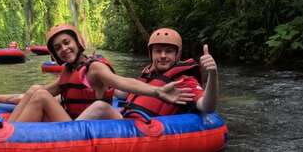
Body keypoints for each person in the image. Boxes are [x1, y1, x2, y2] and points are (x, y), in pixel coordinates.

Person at [0, 24, 195, 122]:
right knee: (36, 89)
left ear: (78, 42)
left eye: (67, 43)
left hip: (87, 128)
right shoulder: (68, 72)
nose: (64, 49)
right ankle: (8, 130)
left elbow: (123, 82)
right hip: (71, 121)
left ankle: (9, 137)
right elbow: (28, 96)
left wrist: (158, 93)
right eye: (58, 47)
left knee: (40, 94)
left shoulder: (95, 68)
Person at [75, 27, 218, 121]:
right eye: (158, 51)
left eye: (168, 51)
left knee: (100, 107)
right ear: (151, 53)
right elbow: (123, 94)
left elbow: (207, 106)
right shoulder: (149, 74)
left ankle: (64, 137)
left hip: (142, 128)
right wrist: (100, 80)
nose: (162, 55)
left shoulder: (184, 80)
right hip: (127, 118)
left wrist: (213, 75)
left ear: (177, 55)